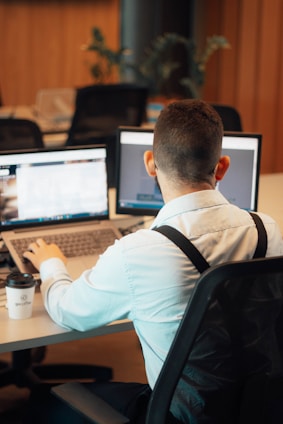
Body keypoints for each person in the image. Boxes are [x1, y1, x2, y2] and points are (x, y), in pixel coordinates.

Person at [23, 99, 283, 423]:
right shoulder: (267, 230)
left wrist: (51, 264)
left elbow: (68, 311)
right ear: (223, 167)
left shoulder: (139, 252)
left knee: (39, 405)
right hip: (259, 407)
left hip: (179, 415)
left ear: (150, 163)